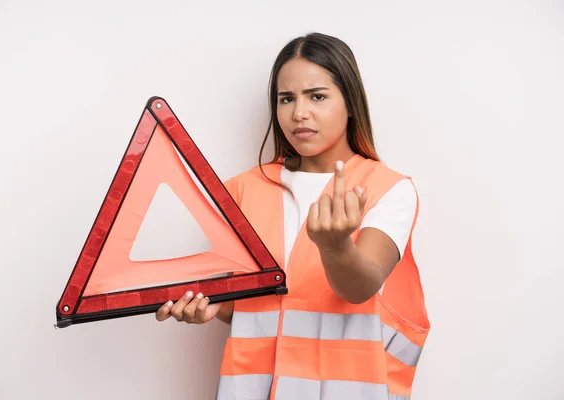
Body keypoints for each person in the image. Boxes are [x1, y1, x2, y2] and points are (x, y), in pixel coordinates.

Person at [156, 32, 430, 400]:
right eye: (286, 98)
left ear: (350, 103)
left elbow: (359, 288)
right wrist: (215, 307)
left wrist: (335, 246)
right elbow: (260, 309)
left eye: (317, 96)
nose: (299, 112)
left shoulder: (389, 189)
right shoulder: (240, 190)